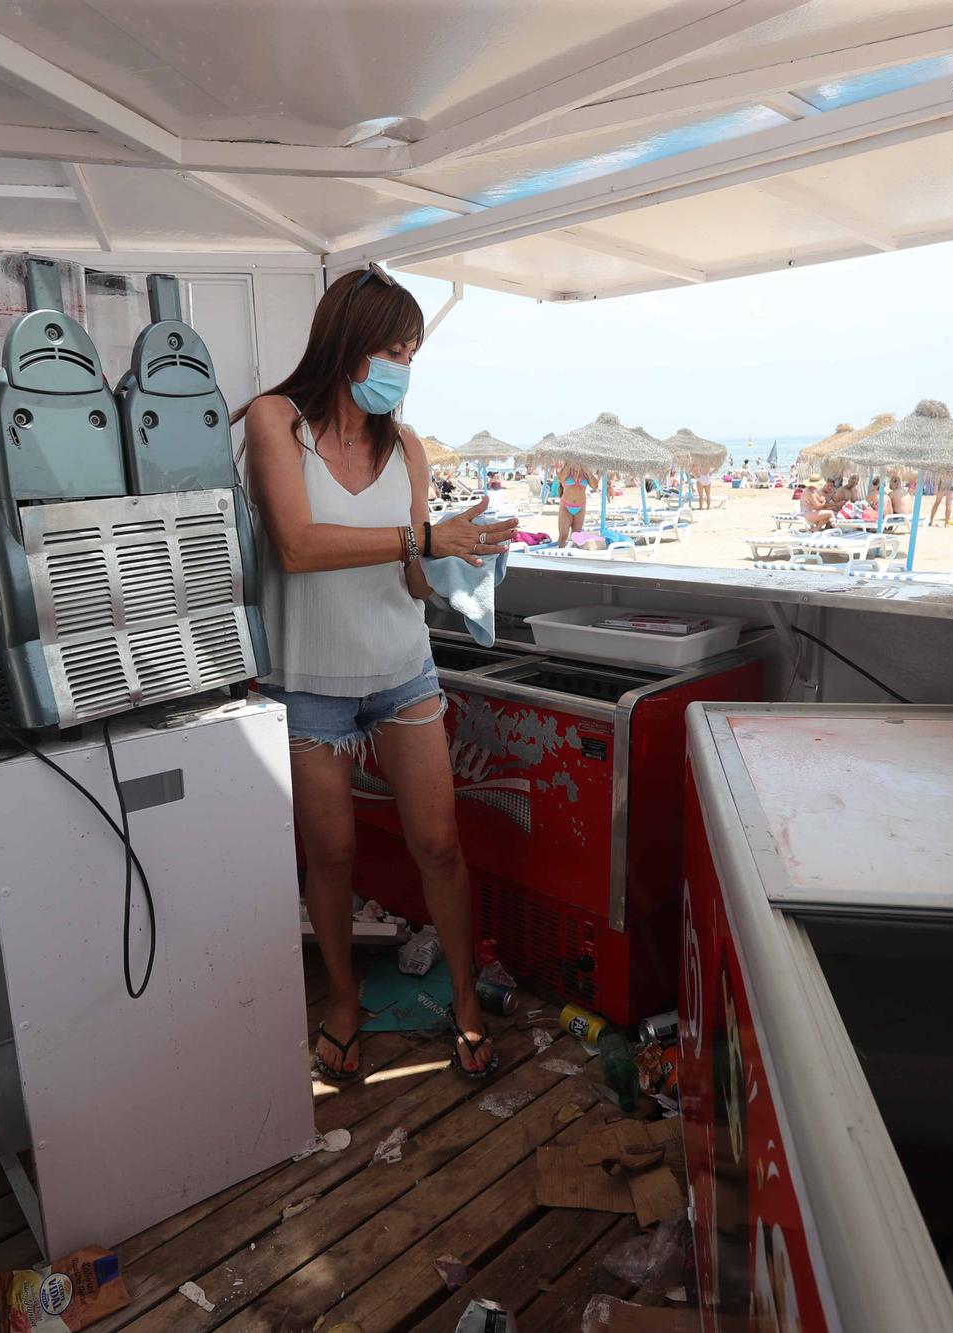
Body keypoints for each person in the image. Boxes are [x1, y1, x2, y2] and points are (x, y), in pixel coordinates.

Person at [240, 265, 519, 1084]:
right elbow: (296, 547)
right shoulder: (273, 422)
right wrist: (420, 542)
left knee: (440, 845)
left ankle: (465, 1002)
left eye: (412, 351)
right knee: (330, 857)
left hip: (404, 672)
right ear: (347, 342)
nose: (403, 365)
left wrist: (461, 562)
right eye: (393, 348)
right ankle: (342, 1002)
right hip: (308, 682)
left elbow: (408, 577)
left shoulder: (406, 447)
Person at [558, 466, 594, 544]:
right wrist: (570, 463)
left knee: (577, 537)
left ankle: (573, 554)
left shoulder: (585, 472)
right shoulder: (567, 470)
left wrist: (587, 470)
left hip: (580, 508)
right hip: (566, 507)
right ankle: (561, 553)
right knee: (563, 536)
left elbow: (595, 486)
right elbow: (560, 478)